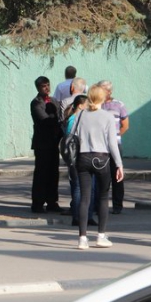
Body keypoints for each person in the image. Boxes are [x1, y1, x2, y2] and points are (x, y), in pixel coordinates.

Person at [74, 85, 124, 250]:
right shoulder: (107, 116)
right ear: (102, 98)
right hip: (101, 158)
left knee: (85, 198)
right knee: (103, 197)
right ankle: (101, 236)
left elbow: (73, 136)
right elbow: (112, 143)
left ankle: (82, 238)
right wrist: (119, 164)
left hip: (83, 157)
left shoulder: (80, 114)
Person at [30, 76, 63, 213]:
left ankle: (52, 202)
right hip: (42, 144)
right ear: (38, 88)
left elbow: (59, 116)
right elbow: (45, 121)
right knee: (41, 174)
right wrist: (58, 122)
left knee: (53, 173)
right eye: (44, 86)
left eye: (48, 85)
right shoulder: (36, 103)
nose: (47, 88)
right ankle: (37, 203)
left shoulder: (54, 101)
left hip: (54, 142)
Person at [64, 95, 97, 228]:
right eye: (87, 105)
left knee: (91, 188)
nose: (89, 107)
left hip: (88, 155)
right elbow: (70, 138)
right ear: (80, 106)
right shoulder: (74, 119)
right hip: (77, 157)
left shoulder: (85, 119)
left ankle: (88, 216)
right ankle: (77, 217)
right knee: (78, 187)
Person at [98, 81, 129, 214]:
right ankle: (99, 205)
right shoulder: (97, 105)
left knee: (117, 175)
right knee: (101, 176)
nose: (100, 92)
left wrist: (115, 137)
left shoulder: (119, 105)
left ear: (109, 91)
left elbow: (125, 125)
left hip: (115, 145)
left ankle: (117, 205)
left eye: (103, 90)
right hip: (100, 147)